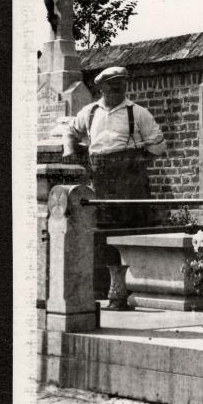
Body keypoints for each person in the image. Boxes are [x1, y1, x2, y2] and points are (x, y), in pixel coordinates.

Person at [64, 65, 167, 296]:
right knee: (103, 232)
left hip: (132, 184)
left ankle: (138, 290)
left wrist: (136, 165)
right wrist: (73, 155)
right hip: (100, 183)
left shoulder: (138, 113)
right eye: (113, 83)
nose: (119, 87)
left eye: (122, 83)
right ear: (101, 87)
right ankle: (106, 289)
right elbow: (70, 132)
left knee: (134, 232)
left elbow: (158, 144)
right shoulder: (89, 112)